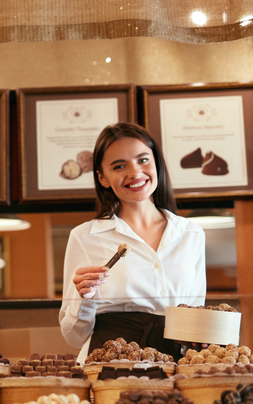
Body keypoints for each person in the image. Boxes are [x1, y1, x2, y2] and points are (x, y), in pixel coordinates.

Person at [59, 122, 206, 363]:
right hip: (109, 362)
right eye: (119, 166)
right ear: (103, 178)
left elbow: (195, 320)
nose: (135, 172)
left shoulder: (191, 233)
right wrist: (85, 298)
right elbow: (73, 337)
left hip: (175, 364)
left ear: (156, 163)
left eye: (143, 160)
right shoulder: (85, 237)